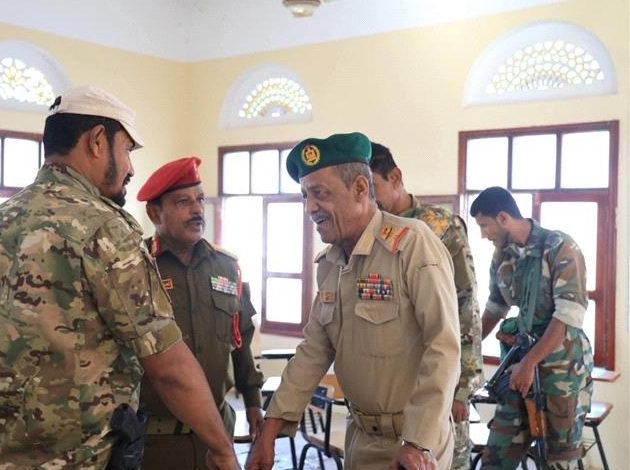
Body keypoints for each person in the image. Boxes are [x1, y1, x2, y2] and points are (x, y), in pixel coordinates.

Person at [0, 85, 239, 470]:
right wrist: (222, 449)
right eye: (127, 150)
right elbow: (168, 367)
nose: (131, 168)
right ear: (97, 140)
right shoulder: (104, 229)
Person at [246, 132, 461, 470]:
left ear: (360, 188)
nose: (310, 208)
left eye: (320, 194)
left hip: (413, 445)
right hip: (360, 437)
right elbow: (315, 350)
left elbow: (443, 347)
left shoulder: (412, 245)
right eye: (305, 196)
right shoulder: (331, 263)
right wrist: (271, 428)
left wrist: (418, 443)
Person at [136, 156, 265, 469]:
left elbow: (241, 339)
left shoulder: (226, 266)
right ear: (155, 213)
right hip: (156, 443)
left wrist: (253, 401)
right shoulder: (136, 268)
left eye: (200, 200)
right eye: (183, 202)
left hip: (218, 433)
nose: (197, 210)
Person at [369, 142, 482, 470]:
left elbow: (465, 303)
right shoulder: (369, 230)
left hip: (437, 379)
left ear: (395, 177)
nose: (367, 200)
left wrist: (463, 388)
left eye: (372, 188)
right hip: (389, 386)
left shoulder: (441, 227)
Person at [470, 186, 593, 470]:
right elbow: (495, 307)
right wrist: (466, 345)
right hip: (521, 370)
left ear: (503, 218)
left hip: (562, 372)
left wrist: (529, 363)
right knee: (495, 459)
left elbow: (567, 317)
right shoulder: (503, 256)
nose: (483, 234)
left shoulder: (559, 247)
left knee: (557, 462)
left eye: (484, 225)